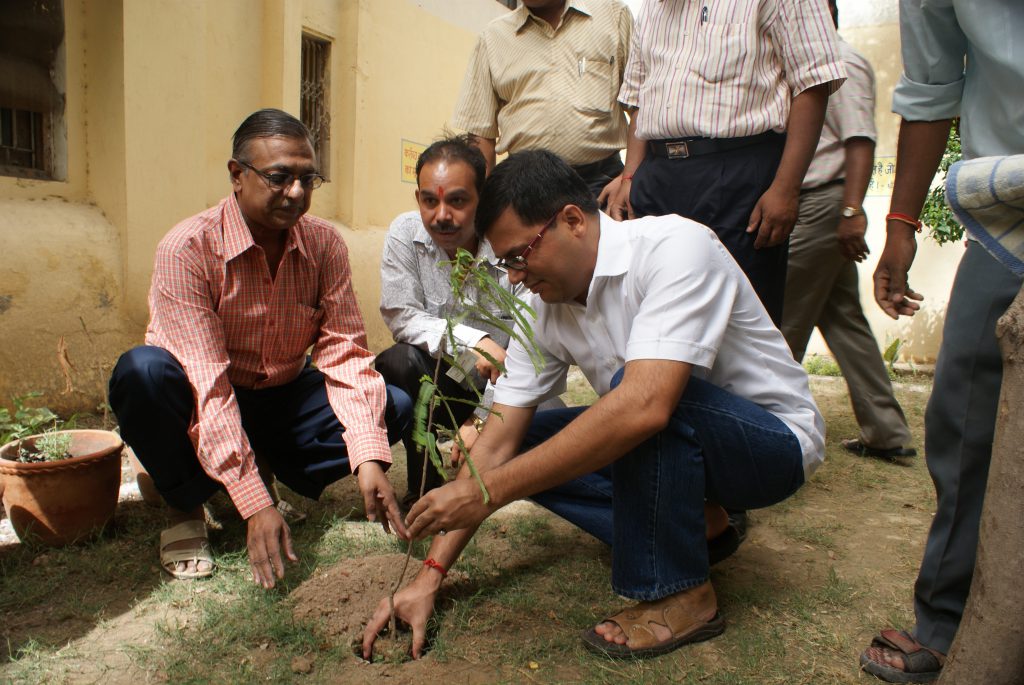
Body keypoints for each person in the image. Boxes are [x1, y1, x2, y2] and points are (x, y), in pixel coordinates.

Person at [362, 150, 825, 660]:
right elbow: (495, 446)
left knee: (637, 394)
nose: (513, 278)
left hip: (769, 447)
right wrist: (430, 575)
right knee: (527, 441)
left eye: (520, 256)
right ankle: (704, 526)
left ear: (573, 221)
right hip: (680, 445)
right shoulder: (545, 305)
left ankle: (685, 595)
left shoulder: (675, 248)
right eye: (506, 262)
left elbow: (645, 406)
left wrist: (488, 490)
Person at [108, 109, 411, 588]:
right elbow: (206, 383)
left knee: (393, 405)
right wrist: (256, 506)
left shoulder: (326, 244)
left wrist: (368, 457)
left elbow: (346, 351)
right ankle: (184, 502)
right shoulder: (187, 249)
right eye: (279, 177)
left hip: (282, 395)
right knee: (142, 374)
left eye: (307, 179)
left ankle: (252, 469)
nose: (296, 193)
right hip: (205, 394)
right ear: (236, 175)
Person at [860, 1, 1024, 682]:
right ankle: (949, 618)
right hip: (1012, 199)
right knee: (964, 412)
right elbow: (930, 87)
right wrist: (900, 222)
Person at [607, 0, 846, 326]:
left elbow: (813, 83)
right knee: (655, 316)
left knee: (737, 323)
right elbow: (639, 99)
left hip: (738, 175)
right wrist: (630, 175)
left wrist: (786, 188)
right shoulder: (652, 8)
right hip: (657, 173)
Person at [781, 0, 915, 461]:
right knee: (844, 321)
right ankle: (887, 433)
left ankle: (770, 434)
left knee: (782, 326)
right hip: (820, 205)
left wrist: (851, 211)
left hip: (824, 204)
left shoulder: (842, 63)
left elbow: (860, 140)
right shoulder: (808, 63)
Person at [375, 136, 512, 506]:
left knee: (549, 424)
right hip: (439, 374)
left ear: (481, 199)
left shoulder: (507, 244)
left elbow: (526, 357)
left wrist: (482, 418)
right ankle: (425, 478)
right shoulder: (405, 234)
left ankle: (491, 474)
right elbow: (401, 315)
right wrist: (475, 340)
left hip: (503, 386)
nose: (441, 216)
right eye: (429, 200)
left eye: (457, 200)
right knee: (399, 360)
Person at [451, 0, 632, 199]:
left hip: (602, 186)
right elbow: (480, 136)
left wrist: (629, 177)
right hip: (524, 190)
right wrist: (483, 210)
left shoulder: (613, 15)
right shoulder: (493, 38)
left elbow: (644, 107)